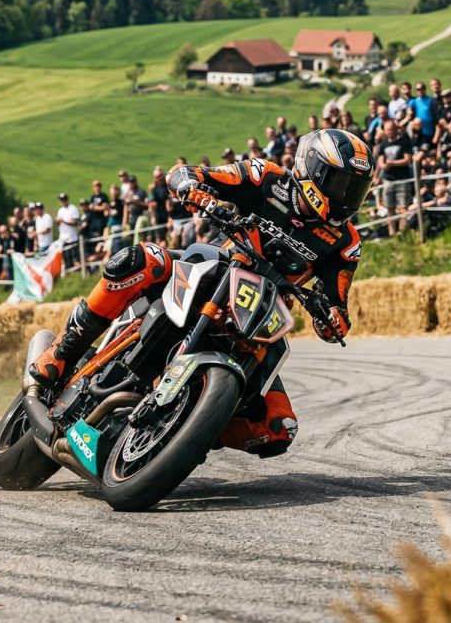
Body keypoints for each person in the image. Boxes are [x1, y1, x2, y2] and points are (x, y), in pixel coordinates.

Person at [28, 129, 372, 459]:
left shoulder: (346, 242)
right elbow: (185, 174)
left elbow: (336, 301)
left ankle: (187, 430)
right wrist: (195, 191)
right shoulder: (266, 178)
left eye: (356, 189)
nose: (347, 197)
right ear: (312, 170)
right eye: (341, 185)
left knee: (279, 428)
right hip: (217, 270)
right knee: (138, 260)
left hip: (261, 314)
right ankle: (63, 351)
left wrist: (333, 320)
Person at [56, 192, 82, 269]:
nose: (62, 202)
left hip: (72, 238)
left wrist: (63, 221)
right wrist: (57, 221)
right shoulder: (60, 210)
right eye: (61, 200)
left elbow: (74, 222)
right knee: (67, 261)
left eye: (64, 200)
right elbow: (58, 223)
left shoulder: (73, 208)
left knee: (75, 259)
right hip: (63, 239)